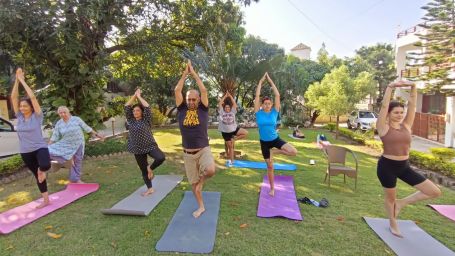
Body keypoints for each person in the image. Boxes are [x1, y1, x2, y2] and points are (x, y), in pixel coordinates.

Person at [376, 80, 441, 237]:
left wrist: (413, 87)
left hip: (404, 166)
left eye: (401, 112)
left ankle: (402, 203)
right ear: (389, 114)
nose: (400, 115)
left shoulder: (406, 126)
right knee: (390, 198)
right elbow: (384, 106)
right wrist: (390, 87)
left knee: (434, 191)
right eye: (396, 112)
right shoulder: (383, 127)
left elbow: (412, 105)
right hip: (387, 167)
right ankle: (393, 223)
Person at [175, 60, 216, 218]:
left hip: (203, 149)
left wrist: (194, 73)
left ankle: (202, 182)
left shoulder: (203, 109)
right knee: (193, 183)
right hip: (187, 153)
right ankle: (201, 206)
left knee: (210, 170)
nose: (191, 102)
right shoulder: (182, 109)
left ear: (198, 99)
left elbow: (204, 90)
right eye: (189, 99)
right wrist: (185, 74)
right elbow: (177, 90)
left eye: (194, 99)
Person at [11, 68, 51, 209]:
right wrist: (16, 80)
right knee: (38, 176)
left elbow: (33, 98)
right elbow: (13, 97)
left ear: (31, 108)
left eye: (25, 106)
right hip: (25, 151)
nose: (21, 108)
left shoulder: (37, 116)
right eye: (21, 106)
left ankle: (42, 170)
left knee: (45, 166)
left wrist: (22, 80)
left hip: (40, 147)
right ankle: (45, 200)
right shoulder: (20, 117)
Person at [254, 72, 297, 196]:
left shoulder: (274, 112)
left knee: (293, 152)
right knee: (270, 166)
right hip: (264, 143)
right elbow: (257, 95)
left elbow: (277, 95)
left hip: (275, 139)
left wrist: (271, 81)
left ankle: (275, 152)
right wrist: (261, 82)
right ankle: (272, 188)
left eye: (269, 103)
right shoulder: (258, 112)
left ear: (271, 105)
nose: (267, 105)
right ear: (262, 105)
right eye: (265, 103)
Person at [124, 88, 166, 196]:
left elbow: (147, 106)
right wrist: (134, 95)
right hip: (137, 148)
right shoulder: (131, 120)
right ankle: (150, 188)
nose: (135, 112)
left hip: (149, 145)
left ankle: (150, 168)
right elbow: (127, 106)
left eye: (138, 110)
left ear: (142, 112)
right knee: (143, 170)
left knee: (161, 157)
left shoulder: (146, 119)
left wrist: (139, 97)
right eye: (134, 111)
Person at [48, 106, 104, 183]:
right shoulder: (59, 123)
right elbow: (55, 136)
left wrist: (97, 135)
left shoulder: (76, 119)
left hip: (78, 143)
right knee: (46, 150)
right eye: (60, 113)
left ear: (68, 112)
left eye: (64, 112)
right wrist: (49, 145)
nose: (63, 114)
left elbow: (87, 128)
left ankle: (75, 179)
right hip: (66, 144)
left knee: (77, 161)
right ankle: (67, 160)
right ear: (58, 114)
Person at [218, 92, 248, 165]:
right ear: (224, 108)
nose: (227, 108)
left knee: (246, 133)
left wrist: (230, 96)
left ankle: (234, 139)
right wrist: (225, 96)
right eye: (226, 107)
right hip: (225, 133)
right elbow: (220, 104)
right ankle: (232, 161)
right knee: (231, 147)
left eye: (228, 107)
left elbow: (234, 104)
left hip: (234, 129)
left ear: (230, 108)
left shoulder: (233, 111)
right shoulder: (222, 112)